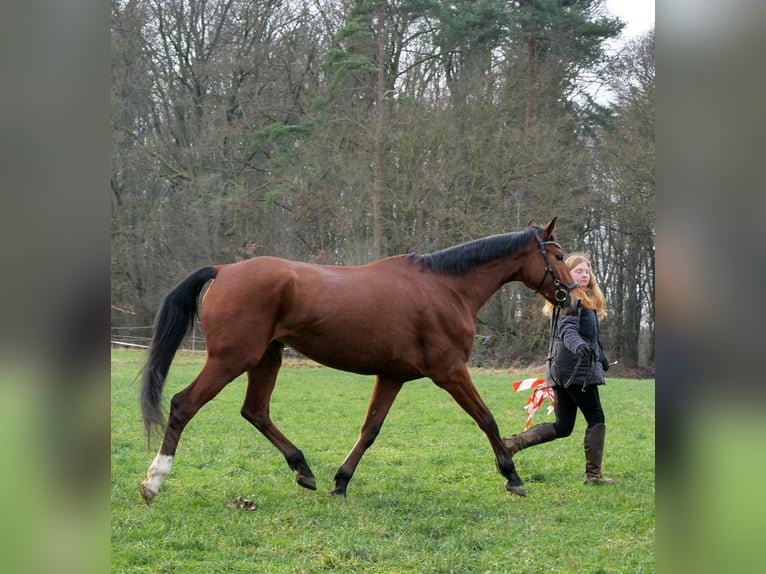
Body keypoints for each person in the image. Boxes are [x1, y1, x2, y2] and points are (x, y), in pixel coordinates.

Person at [503, 253, 614, 485]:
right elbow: (568, 331)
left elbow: (592, 338)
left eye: (587, 270)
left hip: (565, 370)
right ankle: (594, 475)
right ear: (567, 275)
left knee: (563, 426)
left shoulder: (586, 299)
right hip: (575, 372)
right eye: (578, 271)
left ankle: (511, 444)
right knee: (596, 418)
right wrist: (580, 346)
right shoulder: (571, 300)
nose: (585, 274)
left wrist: (601, 358)